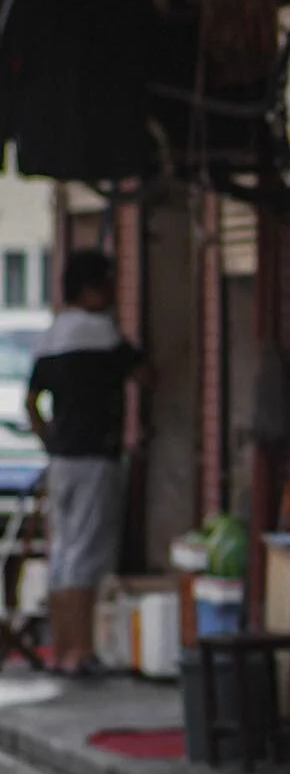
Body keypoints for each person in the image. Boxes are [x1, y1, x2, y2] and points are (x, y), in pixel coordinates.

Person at [26, 250, 148, 677]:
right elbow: (143, 373)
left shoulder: (53, 335)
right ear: (92, 288)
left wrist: (50, 439)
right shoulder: (102, 333)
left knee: (62, 552)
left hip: (61, 459)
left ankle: (60, 650)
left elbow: (32, 402)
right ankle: (81, 650)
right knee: (87, 553)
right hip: (96, 455)